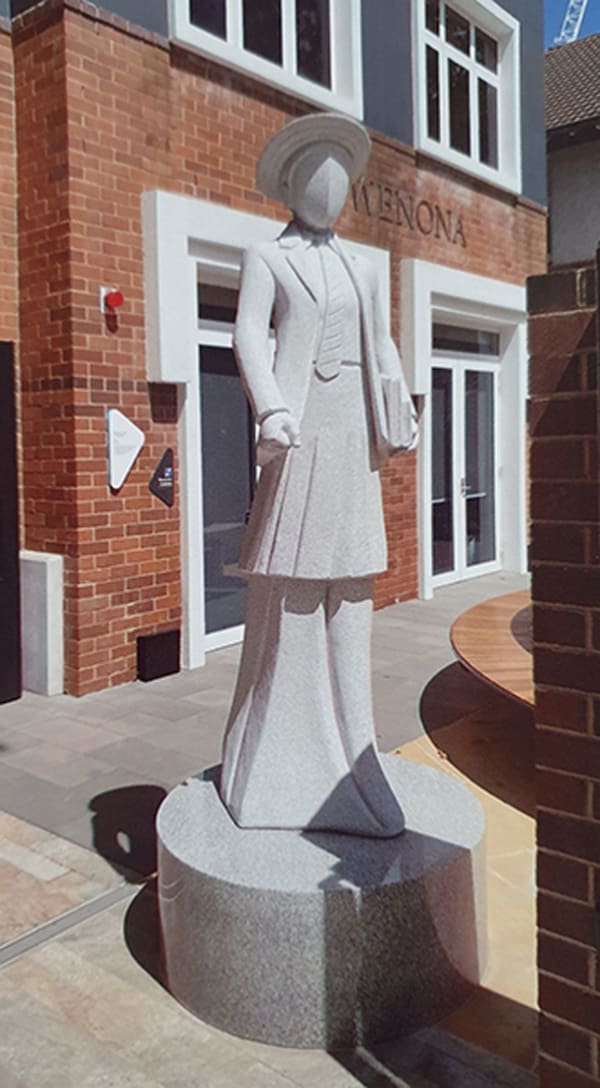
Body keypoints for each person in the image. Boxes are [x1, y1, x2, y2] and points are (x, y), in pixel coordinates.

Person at [219, 113, 418, 838]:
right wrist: (269, 407)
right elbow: (247, 334)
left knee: (354, 578)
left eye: (342, 176)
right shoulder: (268, 257)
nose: (332, 188)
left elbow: (383, 342)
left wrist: (399, 407)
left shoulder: (365, 265)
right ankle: (280, 758)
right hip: (302, 429)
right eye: (319, 173)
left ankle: (357, 756)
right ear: (294, 181)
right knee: (296, 583)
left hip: (353, 433)